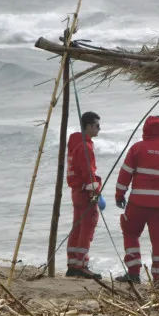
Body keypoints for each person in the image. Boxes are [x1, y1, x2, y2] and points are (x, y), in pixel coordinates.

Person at [114, 115, 159, 283]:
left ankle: (134, 272)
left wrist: (119, 195)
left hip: (138, 204)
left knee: (130, 233)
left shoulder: (137, 148)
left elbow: (124, 174)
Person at [65, 111, 103, 279]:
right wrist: (96, 192)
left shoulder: (76, 144)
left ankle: (73, 263)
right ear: (88, 126)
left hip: (76, 191)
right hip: (85, 192)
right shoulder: (85, 147)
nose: (99, 129)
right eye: (97, 126)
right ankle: (81, 265)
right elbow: (88, 172)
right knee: (87, 228)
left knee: (78, 227)